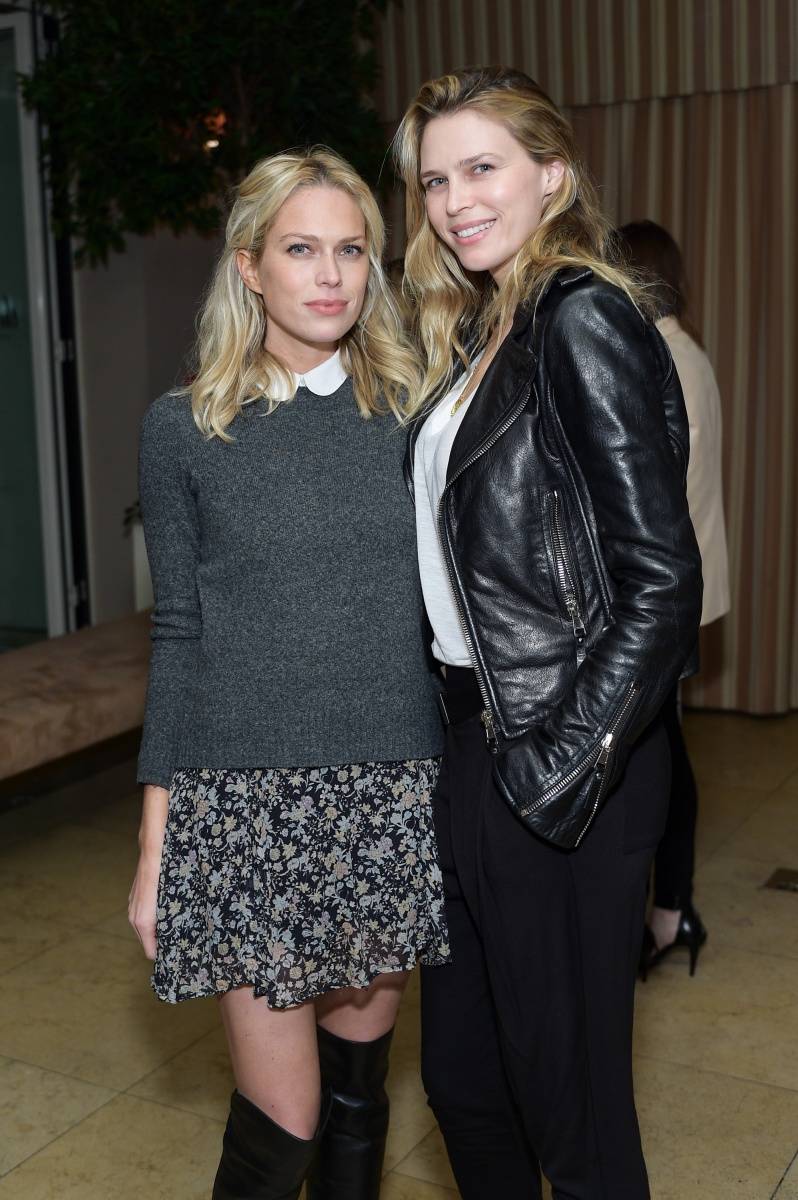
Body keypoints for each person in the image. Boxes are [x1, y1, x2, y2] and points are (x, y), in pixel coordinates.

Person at [393, 67, 703, 1199]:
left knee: (573, 1118)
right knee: (467, 1087)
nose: (456, 201)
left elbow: (663, 582)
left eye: (484, 168)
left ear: (554, 176)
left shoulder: (581, 315)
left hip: (560, 759)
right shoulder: (481, 327)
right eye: (436, 180)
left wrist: (551, 768)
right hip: (471, 743)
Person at [127, 147, 450, 1200]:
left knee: (360, 1098)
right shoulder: (184, 429)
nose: (330, 275)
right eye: (301, 249)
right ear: (249, 267)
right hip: (243, 806)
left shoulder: (415, 418)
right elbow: (177, 634)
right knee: (285, 1122)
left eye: (351, 250)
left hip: (386, 787)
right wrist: (156, 844)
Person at [618, 219, 730, 976]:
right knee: (666, 749)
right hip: (686, 584)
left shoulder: (661, 357)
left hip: (664, 594)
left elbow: (651, 496)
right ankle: (675, 905)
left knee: (660, 759)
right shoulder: (686, 349)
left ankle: (672, 905)